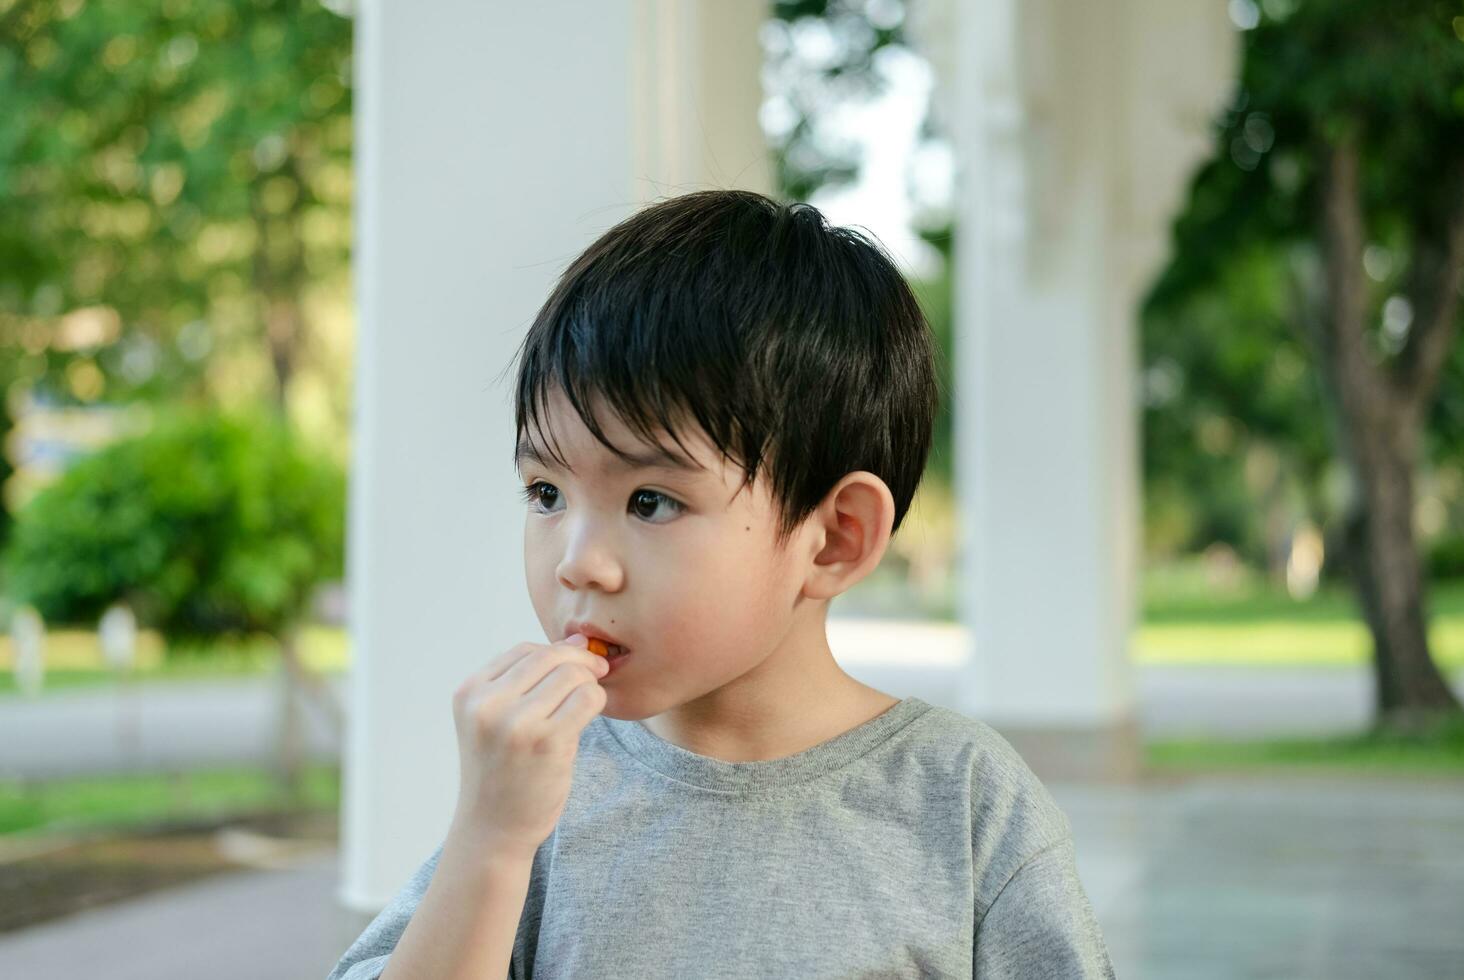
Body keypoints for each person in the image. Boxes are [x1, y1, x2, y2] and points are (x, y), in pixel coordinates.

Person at [326, 189, 1116, 979]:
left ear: (834, 538)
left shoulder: (963, 802)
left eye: (650, 501)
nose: (576, 562)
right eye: (546, 494)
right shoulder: (542, 798)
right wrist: (489, 841)